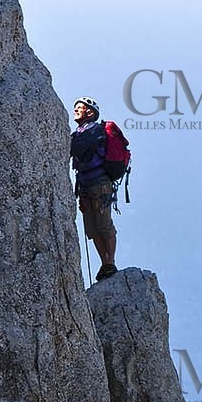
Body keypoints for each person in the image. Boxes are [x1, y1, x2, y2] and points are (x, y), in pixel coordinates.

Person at [70, 97, 119, 280]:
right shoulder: (78, 132)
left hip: (100, 184)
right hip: (86, 186)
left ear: (89, 112)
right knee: (92, 228)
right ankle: (105, 263)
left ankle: (110, 262)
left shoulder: (94, 129)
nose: (75, 110)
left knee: (104, 225)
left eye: (79, 107)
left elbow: (77, 149)